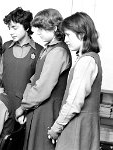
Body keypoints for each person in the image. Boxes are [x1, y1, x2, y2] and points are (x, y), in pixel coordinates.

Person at [15, 8, 72, 150]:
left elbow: (42, 88)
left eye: (42, 28)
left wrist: (23, 107)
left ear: (55, 28)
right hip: (37, 109)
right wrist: (26, 105)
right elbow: (33, 79)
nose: (38, 32)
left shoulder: (58, 51)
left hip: (47, 111)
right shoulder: (49, 49)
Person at [47, 12, 102, 150]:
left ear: (82, 34)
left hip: (77, 127)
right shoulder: (91, 58)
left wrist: (56, 128)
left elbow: (73, 103)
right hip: (83, 127)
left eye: (68, 35)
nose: (65, 40)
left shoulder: (86, 61)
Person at [2, 7, 43, 111]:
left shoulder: (40, 51)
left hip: (25, 107)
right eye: (9, 28)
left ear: (27, 27)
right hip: (3, 103)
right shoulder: (5, 47)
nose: (11, 32)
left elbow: (38, 84)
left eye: (14, 28)